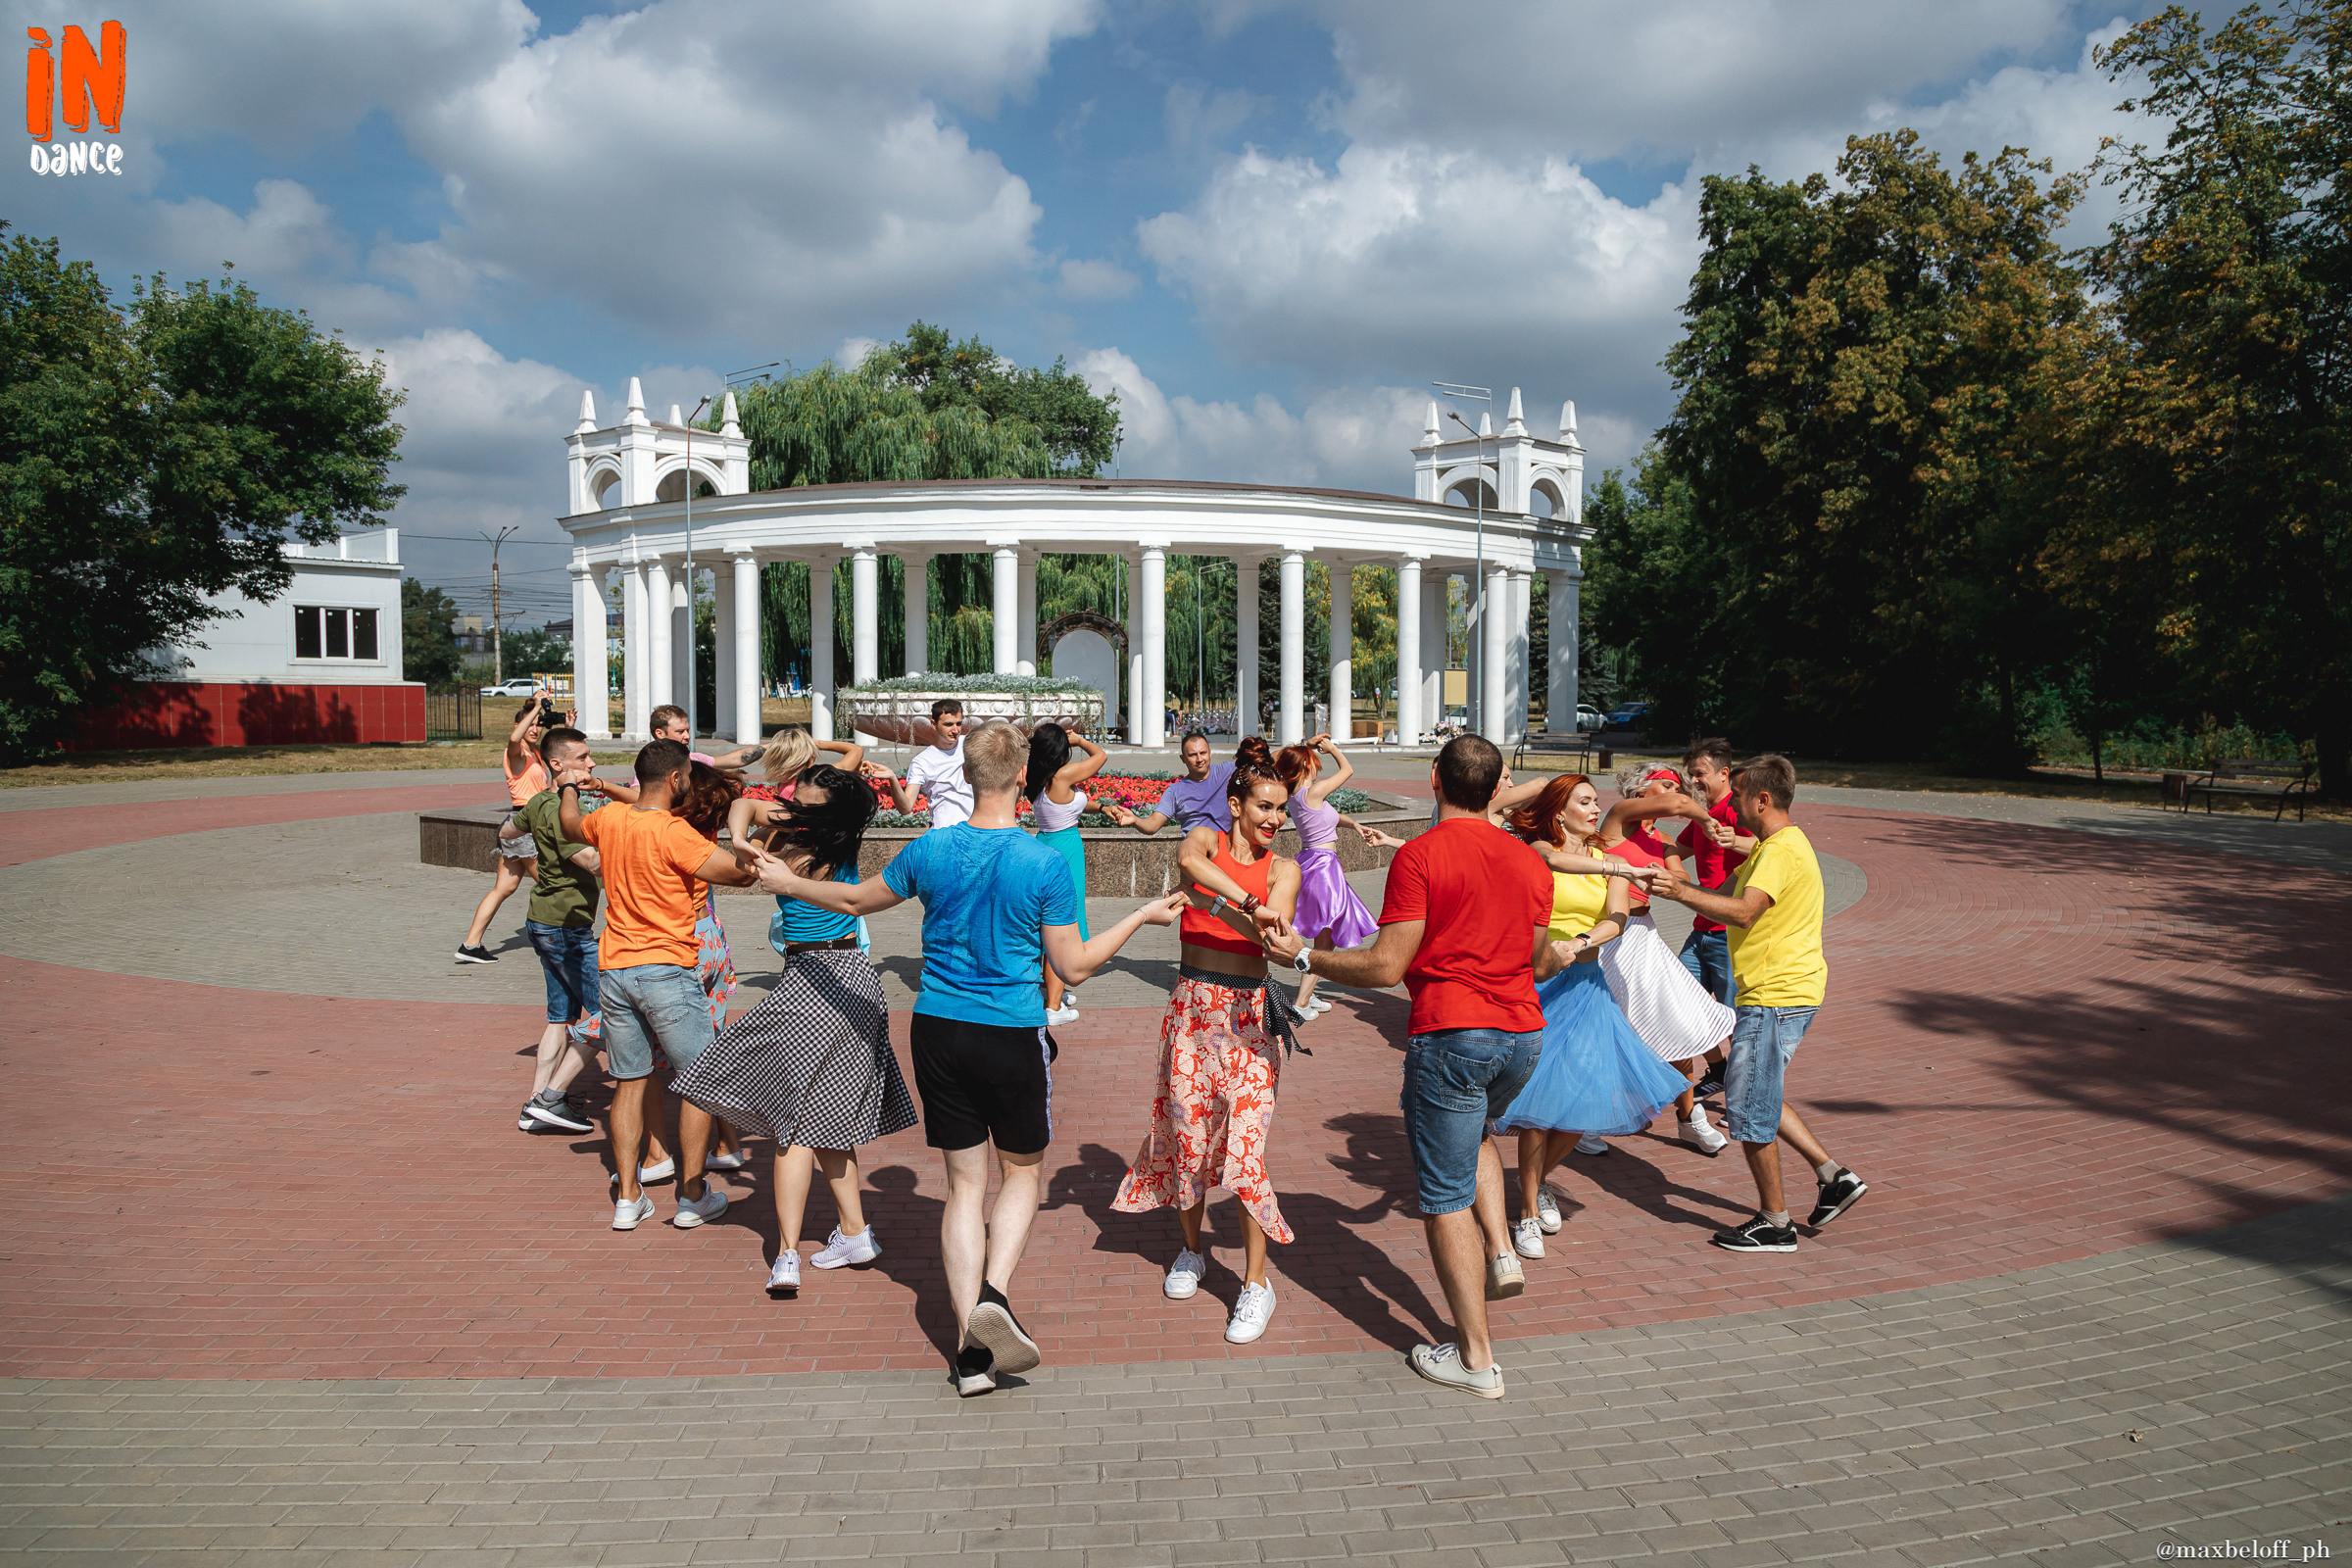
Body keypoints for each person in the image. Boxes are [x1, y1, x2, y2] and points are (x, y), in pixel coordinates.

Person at [753, 720, 1186, 1396]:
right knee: (1021, 1176)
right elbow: (1070, 968)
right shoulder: (1041, 862)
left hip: (938, 1030)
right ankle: (995, 1293)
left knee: (963, 1186)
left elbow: (853, 899)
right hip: (1010, 1033)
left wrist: (786, 877)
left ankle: (969, 1353)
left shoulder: (931, 848)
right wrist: (1140, 918)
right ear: (1022, 778)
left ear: (966, 774)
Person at [1264, 735, 1582, 1400]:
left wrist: (1305, 958)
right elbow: (1537, 956)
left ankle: (1475, 1357)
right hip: (1523, 1036)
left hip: (1453, 1034)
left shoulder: (1421, 855)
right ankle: (1499, 1249)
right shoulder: (1531, 864)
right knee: (1477, 1141)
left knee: (1444, 1199)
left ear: (1434, 779)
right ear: (1497, 790)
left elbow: (1385, 966)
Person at [674, 763, 917, 1299]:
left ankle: (787, 1254)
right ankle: (855, 1234)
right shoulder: (803, 827)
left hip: (819, 981)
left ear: (822, 804)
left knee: (794, 1130)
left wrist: (753, 843)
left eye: (801, 793)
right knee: (827, 1123)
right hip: (844, 978)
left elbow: (756, 807)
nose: (788, 797)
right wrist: (740, 839)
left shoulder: (831, 838)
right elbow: (745, 804)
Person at [1645, 754, 1869, 1251]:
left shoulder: (1780, 851)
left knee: (1747, 1106)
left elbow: (1743, 912)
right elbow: (1720, 894)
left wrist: (1680, 895)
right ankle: (1834, 1177)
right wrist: (1672, 883)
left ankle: (1776, 1223)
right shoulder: (1772, 848)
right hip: (1778, 992)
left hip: (1776, 995)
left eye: (1741, 796)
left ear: (1761, 800)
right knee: (1761, 1091)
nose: (1734, 806)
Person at [1115, 760, 1302, 1346]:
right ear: (1238, 805)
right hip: (1192, 1014)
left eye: (1282, 808)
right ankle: (1192, 1252)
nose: (1275, 818)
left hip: (1248, 1021)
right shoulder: (1205, 838)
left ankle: (1255, 1285)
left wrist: (1227, 908)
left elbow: (1277, 943)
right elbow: (1190, 864)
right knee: (1190, 1144)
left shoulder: (1287, 868)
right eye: (1265, 807)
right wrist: (1249, 904)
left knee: (1246, 1156)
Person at [558, 740, 759, 1232]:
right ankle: (691, 1195)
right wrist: (751, 847)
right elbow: (738, 876)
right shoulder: (674, 833)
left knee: (630, 1081)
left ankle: (628, 1197)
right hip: (666, 969)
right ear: (674, 779)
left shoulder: (608, 820)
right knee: (699, 1082)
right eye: (688, 774)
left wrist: (566, 787)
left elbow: (568, 824)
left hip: (615, 970)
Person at [1492, 774, 1694, 1258]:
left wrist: (1582, 942)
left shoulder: (1612, 862)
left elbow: (1618, 918)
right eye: (1583, 801)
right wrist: (1616, 868)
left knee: (1583, 1100)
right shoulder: (1541, 847)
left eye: (1594, 800)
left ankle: (1536, 1180)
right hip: (1536, 985)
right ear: (1559, 811)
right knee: (1538, 1106)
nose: (1593, 808)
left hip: (1584, 984)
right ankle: (1527, 1215)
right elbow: (1558, 860)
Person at [1592, 765, 1737, 1156]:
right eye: (1666, 783)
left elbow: (1681, 885)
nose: (1674, 791)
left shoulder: (1667, 839)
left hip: (1644, 936)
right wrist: (1707, 819)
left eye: (1676, 784)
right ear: (1642, 788)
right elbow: (1680, 803)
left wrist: (1674, 882)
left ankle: (1689, 1118)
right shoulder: (1618, 818)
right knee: (1606, 1029)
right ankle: (1589, 1117)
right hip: (1606, 934)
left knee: (1674, 1022)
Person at [506, 725, 609, 1136]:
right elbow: (593, 862)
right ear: (557, 764)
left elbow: (506, 833)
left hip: (546, 920)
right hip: (566, 928)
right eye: (582, 757)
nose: (592, 762)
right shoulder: (559, 811)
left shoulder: (537, 804)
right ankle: (551, 1098)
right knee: (610, 1014)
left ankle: (536, 1106)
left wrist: (539, 867)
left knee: (559, 1017)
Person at [1271, 735, 1377, 1020]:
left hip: (1313, 861)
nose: (1318, 767)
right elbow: (1348, 771)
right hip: (1323, 867)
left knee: (1324, 936)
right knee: (1325, 941)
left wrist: (1353, 823)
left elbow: (1328, 816)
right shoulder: (1312, 792)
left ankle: (1309, 992)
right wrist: (1332, 749)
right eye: (1314, 762)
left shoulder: (1297, 797)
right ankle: (1301, 1003)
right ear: (1306, 766)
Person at [457, 695, 562, 962]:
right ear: (519, 725)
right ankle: (568, 940)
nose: (535, 729)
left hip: (523, 825)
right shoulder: (515, 753)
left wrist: (563, 725)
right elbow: (514, 739)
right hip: (524, 824)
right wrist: (535, 708)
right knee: (553, 884)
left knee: (503, 888)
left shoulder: (535, 754)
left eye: (539, 724)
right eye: (530, 725)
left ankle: (470, 945)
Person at [1023, 722, 1108, 1026]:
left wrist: (1101, 809)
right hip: (1066, 850)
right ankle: (1055, 1008)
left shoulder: (1038, 777)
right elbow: (1101, 757)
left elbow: (1069, 805)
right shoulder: (1063, 774)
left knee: (1045, 925)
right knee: (1063, 927)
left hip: (1045, 843)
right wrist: (1082, 739)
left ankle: (1049, 992)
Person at [1106, 730, 1233, 836]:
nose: (1199, 759)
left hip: (1228, 846)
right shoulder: (1175, 791)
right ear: (1183, 759)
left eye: (1203, 753)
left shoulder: (1228, 771)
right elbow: (1154, 823)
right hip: (1197, 849)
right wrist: (1135, 820)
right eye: (1193, 755)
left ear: (1210, 753)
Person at [903, 699, 973, 828]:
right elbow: (906, 806)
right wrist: (891, 778)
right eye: (948, 724)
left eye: (958, 724)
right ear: (933, 724)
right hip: (944, 831)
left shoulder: (972, 745)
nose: (955, 730)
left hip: (976, 829)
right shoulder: (922, 761)